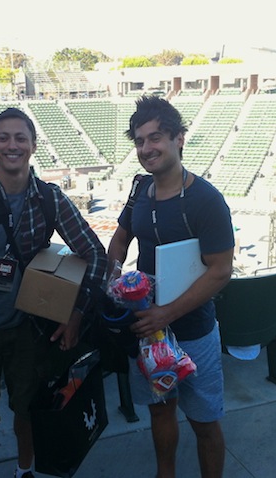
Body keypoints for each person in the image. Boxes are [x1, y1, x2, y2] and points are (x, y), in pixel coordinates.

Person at [0, 107, 107, 478]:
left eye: (20, 138)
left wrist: (76, 313)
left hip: (28, 331)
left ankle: (24, 471)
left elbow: (94, 253)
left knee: (27, 412)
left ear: (33, 145)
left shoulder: (49, 198)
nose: (12, 145)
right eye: (4, 138)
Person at [107, 96, 235, 478]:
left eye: (156, 137)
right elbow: (120, 240)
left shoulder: (207, 200)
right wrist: (114, 280)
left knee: (204, 421)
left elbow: (221, 271)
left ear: (179, 138)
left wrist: (166, 312)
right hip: (149, 333)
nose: (147, 149)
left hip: (193, 334)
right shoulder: (139, 190)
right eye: (140, 141)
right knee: (160, 411)